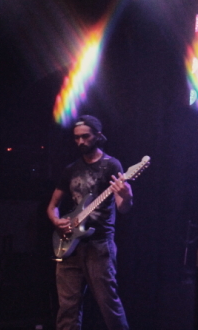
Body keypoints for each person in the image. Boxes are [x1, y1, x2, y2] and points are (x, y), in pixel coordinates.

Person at [46, 115, 132, 330]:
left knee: (108, 304)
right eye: (76, 138)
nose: (80, 142)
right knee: (67, 307)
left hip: (99, 246)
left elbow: (123, 207)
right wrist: (57, 221)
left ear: (98, 136)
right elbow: (52, 206)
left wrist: (127, 195)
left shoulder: (111, 165)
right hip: (69, 246)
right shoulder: (71, 169)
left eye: (85, 137)